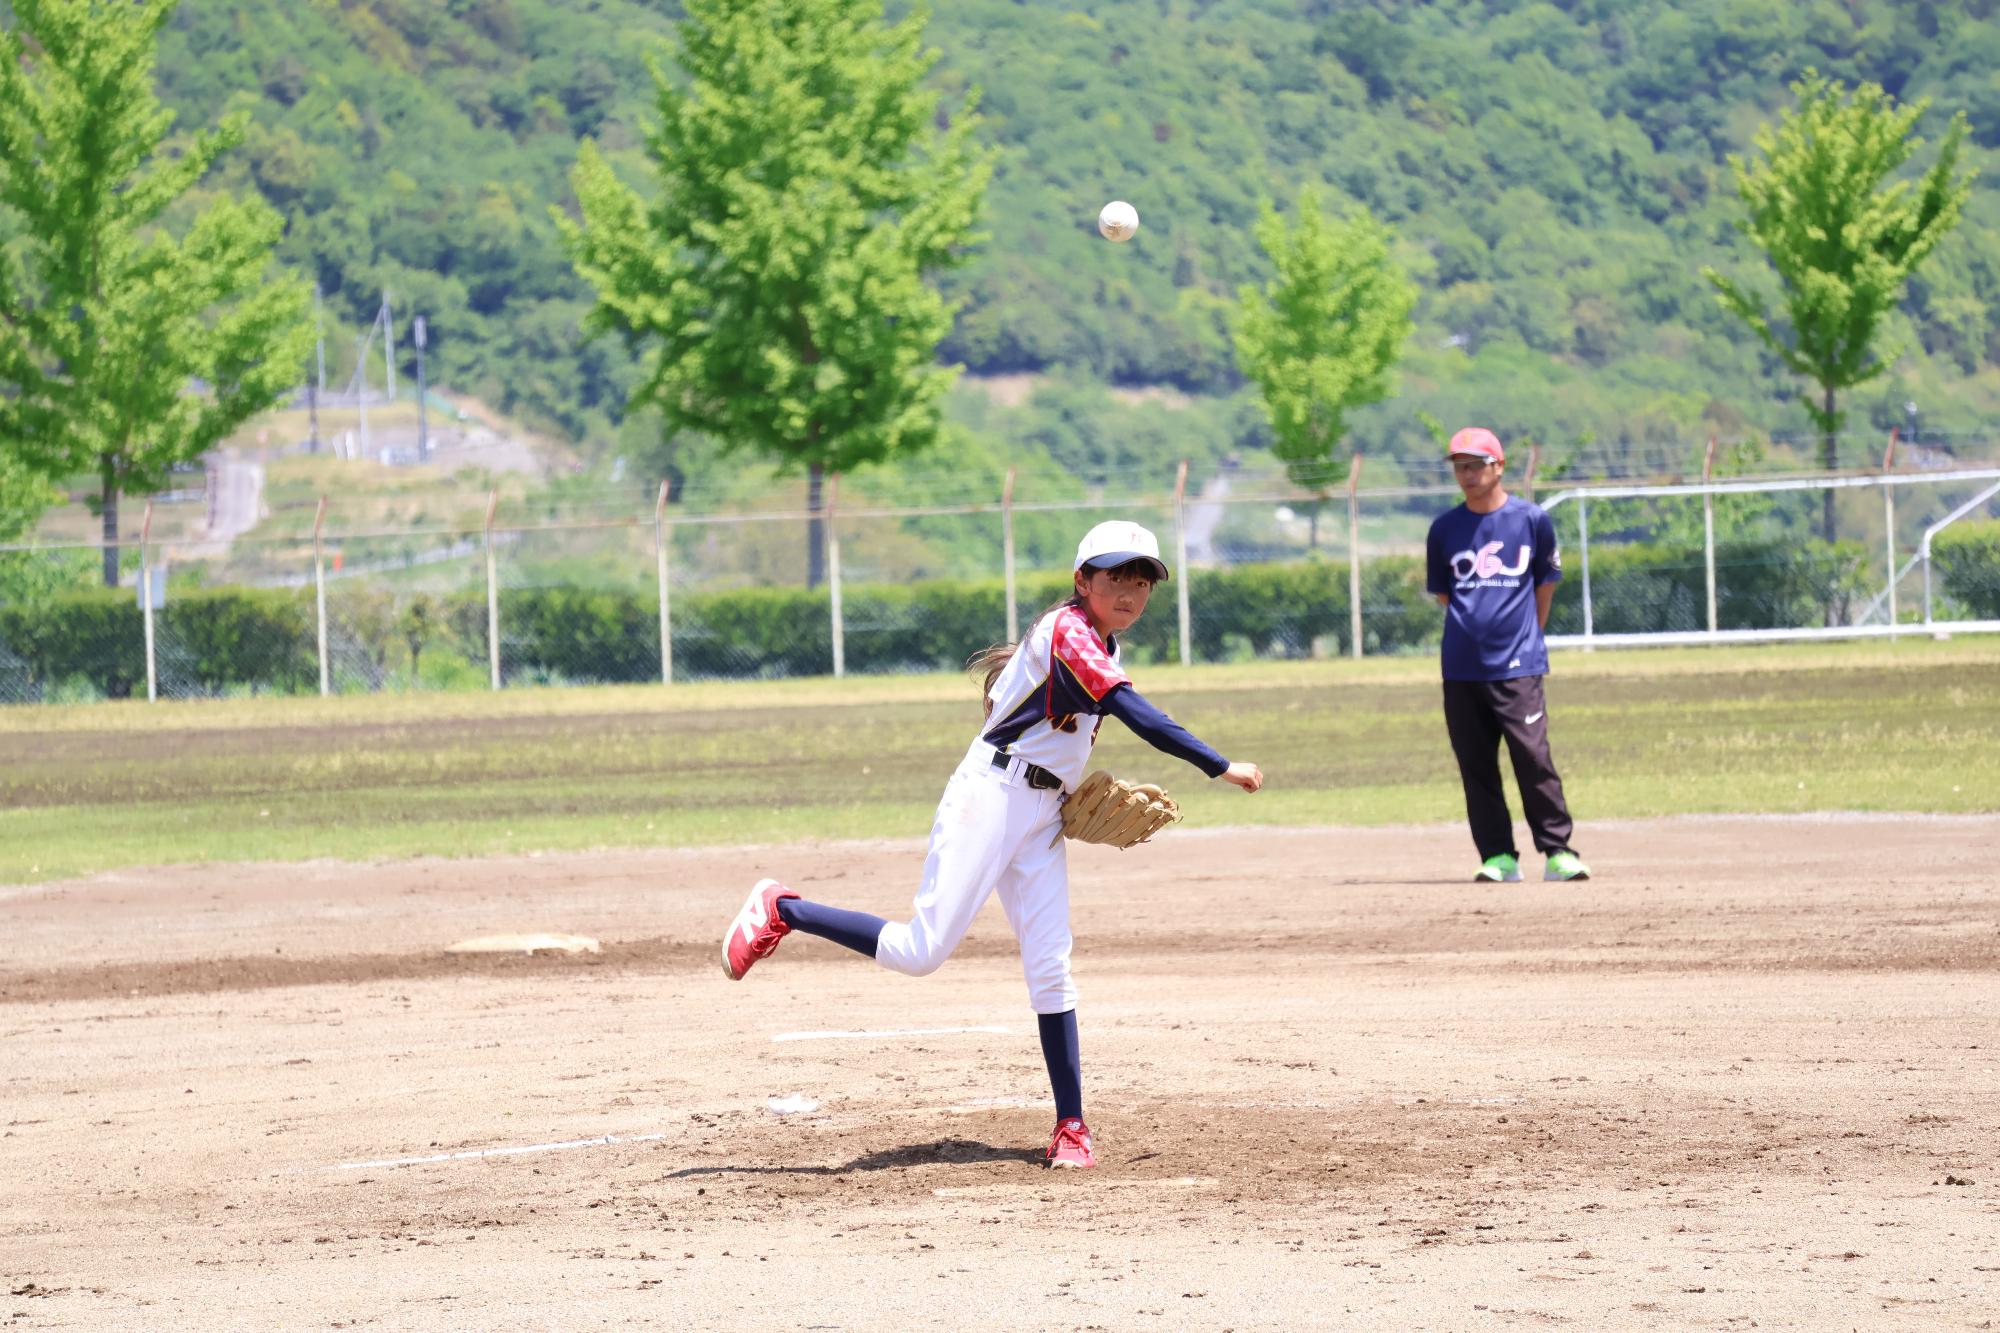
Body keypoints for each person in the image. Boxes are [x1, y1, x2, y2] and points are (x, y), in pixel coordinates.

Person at [721, 519, 1264, 1169]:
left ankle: (1071, 1126)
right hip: (989, 797)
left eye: (1142, 579)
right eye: (1116, 575)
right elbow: (1130, 709)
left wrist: (1060, 791)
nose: (1130, 590)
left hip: (1040, 814)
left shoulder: (1102, 644)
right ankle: (784, 907)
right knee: (921, 951)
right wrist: (1218, 764)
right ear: (1081, 581)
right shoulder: (1068, 631)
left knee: (1050, 965)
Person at [1425, 427, 1590, 884]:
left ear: (1499, 466)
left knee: (1533, 759)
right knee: (1476, 765)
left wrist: (1525, 637)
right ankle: (1498, 856)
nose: (1467, 474)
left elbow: (1545, 587)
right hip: (1460, 666)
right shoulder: (1444, 529)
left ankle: (1558, 851)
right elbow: (1446, 596)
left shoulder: (1531, 520)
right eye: (1460, 466)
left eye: (1476, 464)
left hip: (1518, 664)